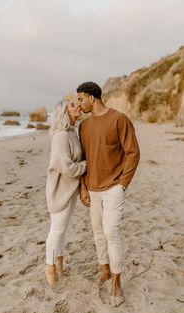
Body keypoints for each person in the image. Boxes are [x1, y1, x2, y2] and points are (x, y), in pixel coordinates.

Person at [77, 81, 140, 307]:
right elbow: (84, 160)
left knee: (111, 232)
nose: (79, 104)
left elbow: (133, 153)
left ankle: (116, 281)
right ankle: (104, 269)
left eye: (81, 99)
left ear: (92, 98)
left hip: (114, 188)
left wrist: (122, 184)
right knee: (97, 233)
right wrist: (83, 187)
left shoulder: (118, 119)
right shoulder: (83, 127)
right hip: (92, 189)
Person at [45, 98, 87, 286]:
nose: (77, 105)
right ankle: (50, 269)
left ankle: (59, 265)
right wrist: (87, 165)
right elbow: (67, 167)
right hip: (59, 191)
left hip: (70, 189)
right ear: (64, 112)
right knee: (56, 231)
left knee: (62, 231)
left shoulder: (72, 132)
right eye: (72, 105)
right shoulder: (61, 136)